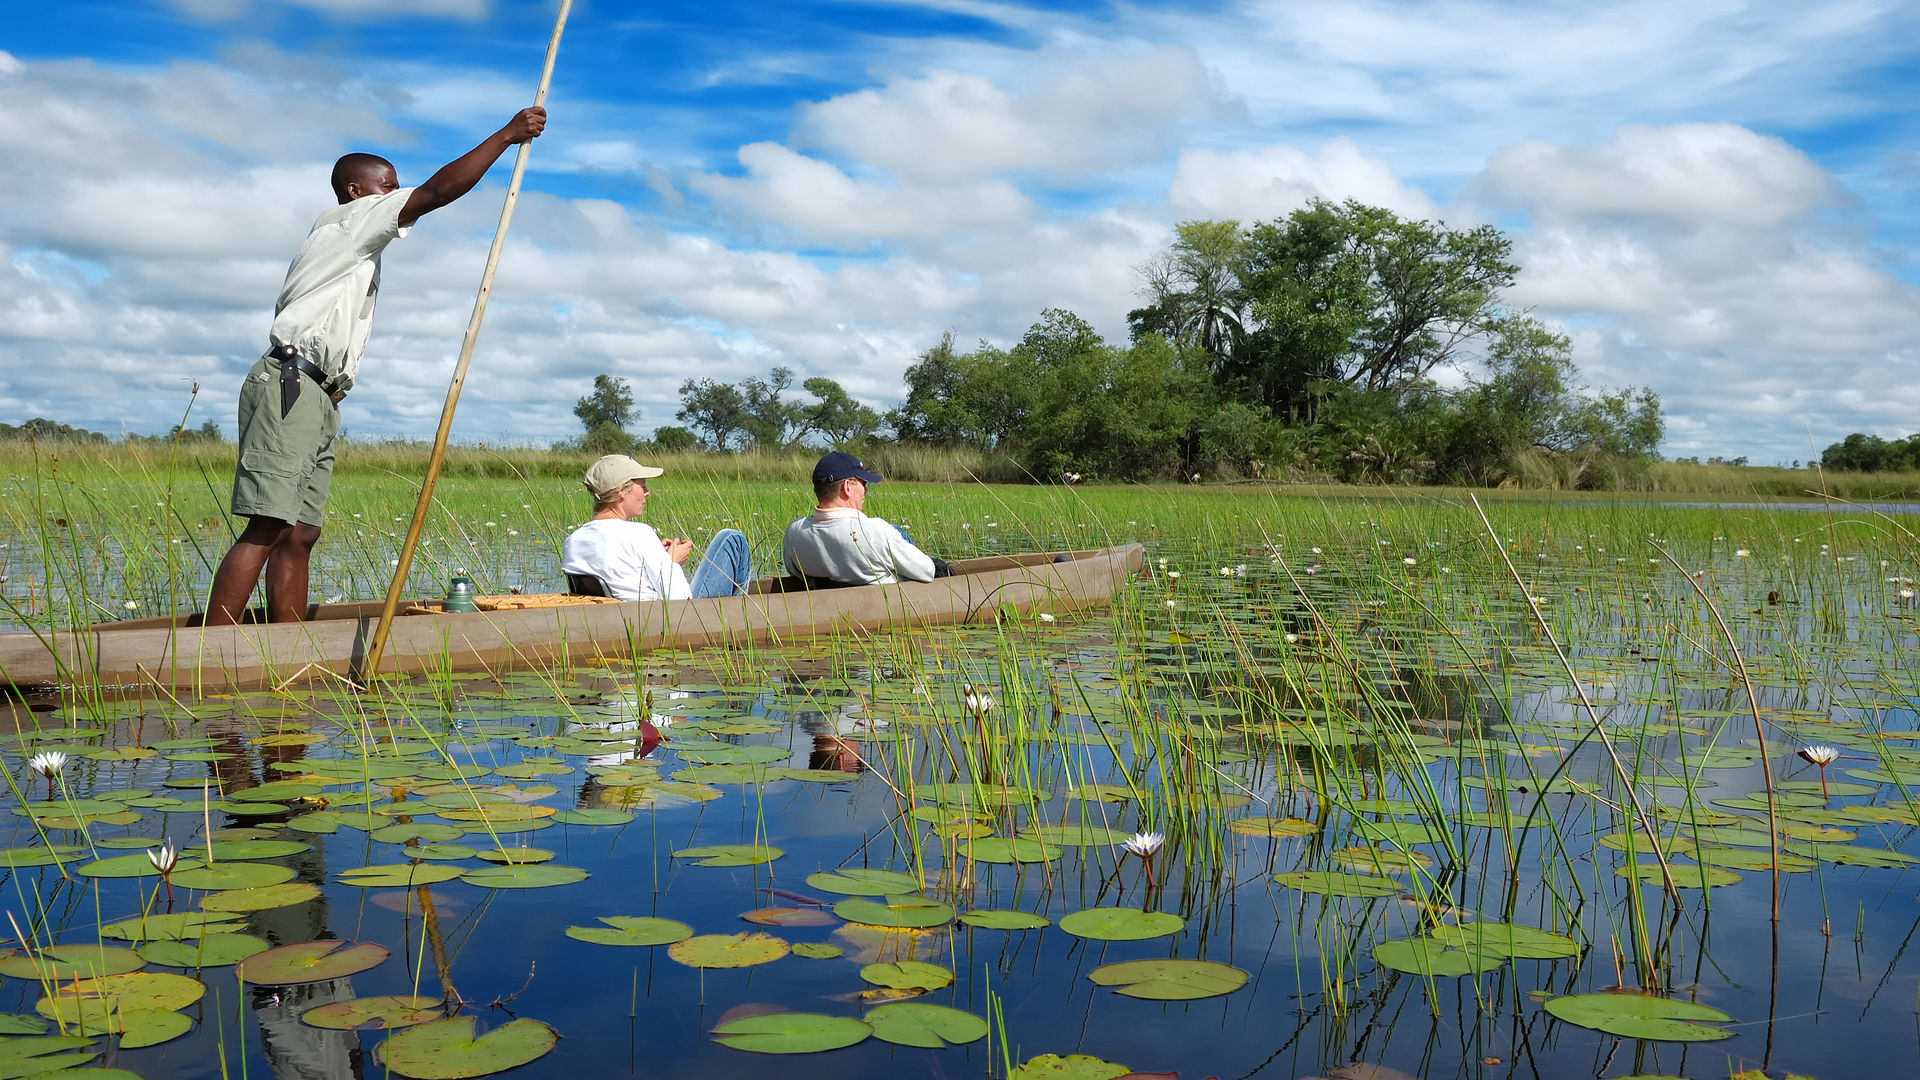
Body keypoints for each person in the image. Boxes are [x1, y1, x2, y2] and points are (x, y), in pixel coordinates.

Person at [203, 107, 550, 626]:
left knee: (300, 532)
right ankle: (210, 649)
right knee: (269, 522)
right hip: (290, 384)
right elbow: (435, 193)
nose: (395, 198)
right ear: (355, 192)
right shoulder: (346, 221)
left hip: (316, 392)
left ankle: (288, 644)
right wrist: (507, 135)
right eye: (386, 188)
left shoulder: (356, 240)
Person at [561, 455, 752, 601]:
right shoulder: (639, 533)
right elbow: (680, 599)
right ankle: (738, 621)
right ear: (621, 490)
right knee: (731, 538)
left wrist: (660, 557)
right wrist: (672, 562)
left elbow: (616, 580)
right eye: (642, 486)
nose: (647, 492)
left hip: (615, 619)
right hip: (666, 621)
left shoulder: (573, 540)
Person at [782, 451, 950, 586]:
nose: (866, 491)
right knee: (936, 565)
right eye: (864, 484)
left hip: (827, 604)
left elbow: (797, 574)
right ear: (847, 487)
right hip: (884, 604)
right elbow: (927, 571)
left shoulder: (793, 531)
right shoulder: (876, 529)